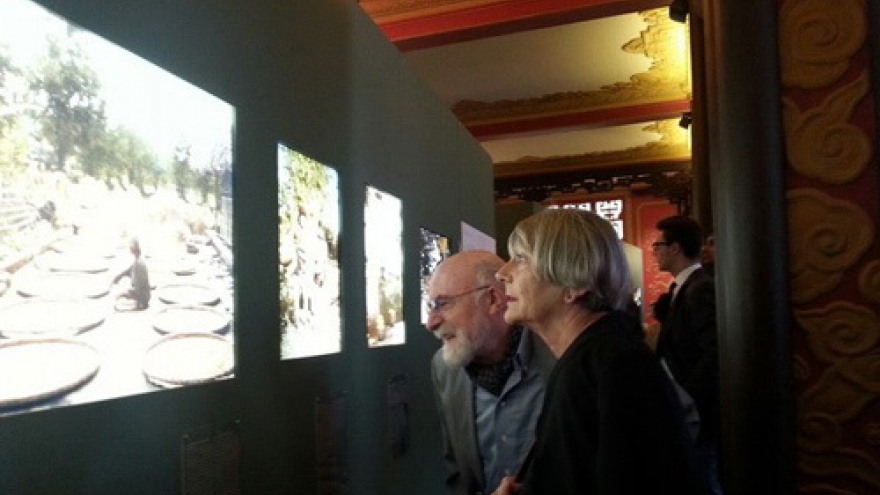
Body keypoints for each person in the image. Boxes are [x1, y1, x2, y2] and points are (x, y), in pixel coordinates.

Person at [492, 209, 706, 495]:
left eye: (521, 259)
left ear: (575, 283)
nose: (502, 272)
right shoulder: (594, 358)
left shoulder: (614, 365)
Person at [426, 250, 555, 495]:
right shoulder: (444, 369)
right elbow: (459, 474)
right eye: (431, 306)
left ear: (493, 300)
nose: (431, 322)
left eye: (443, 304)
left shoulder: (557, 357)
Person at [652, 215, 722, 494]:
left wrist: (688, 397)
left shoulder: (700, 287)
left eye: (658, 244)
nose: (654, 251)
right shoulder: (685, 287)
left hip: (699, 409)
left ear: (675, 248)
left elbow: (712, 352)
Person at [114, 237, 151, 310]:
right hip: (141, 293)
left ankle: (138, 304)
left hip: (142, 297)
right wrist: (118, 277)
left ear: (135, 248)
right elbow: (128, 271)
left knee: (119, 302)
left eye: (131, 247)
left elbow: (140, 286)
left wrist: (130, 295)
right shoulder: (137, 261)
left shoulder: (139, 264)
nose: (129, 249)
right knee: (119, 296)